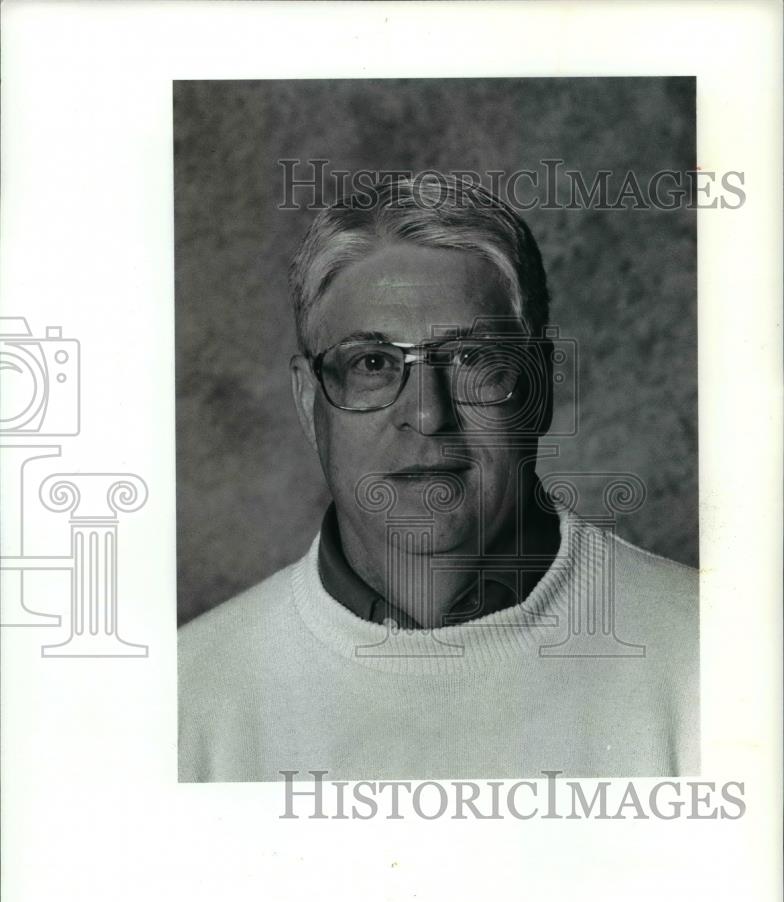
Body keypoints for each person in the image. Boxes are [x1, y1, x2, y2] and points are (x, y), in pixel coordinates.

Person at [178, 177, 698, 783]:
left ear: (540, 385)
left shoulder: (713, 655)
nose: (427, 413)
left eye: (473, 358)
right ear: (307, 399)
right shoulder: (183, 701)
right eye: (373, 364)